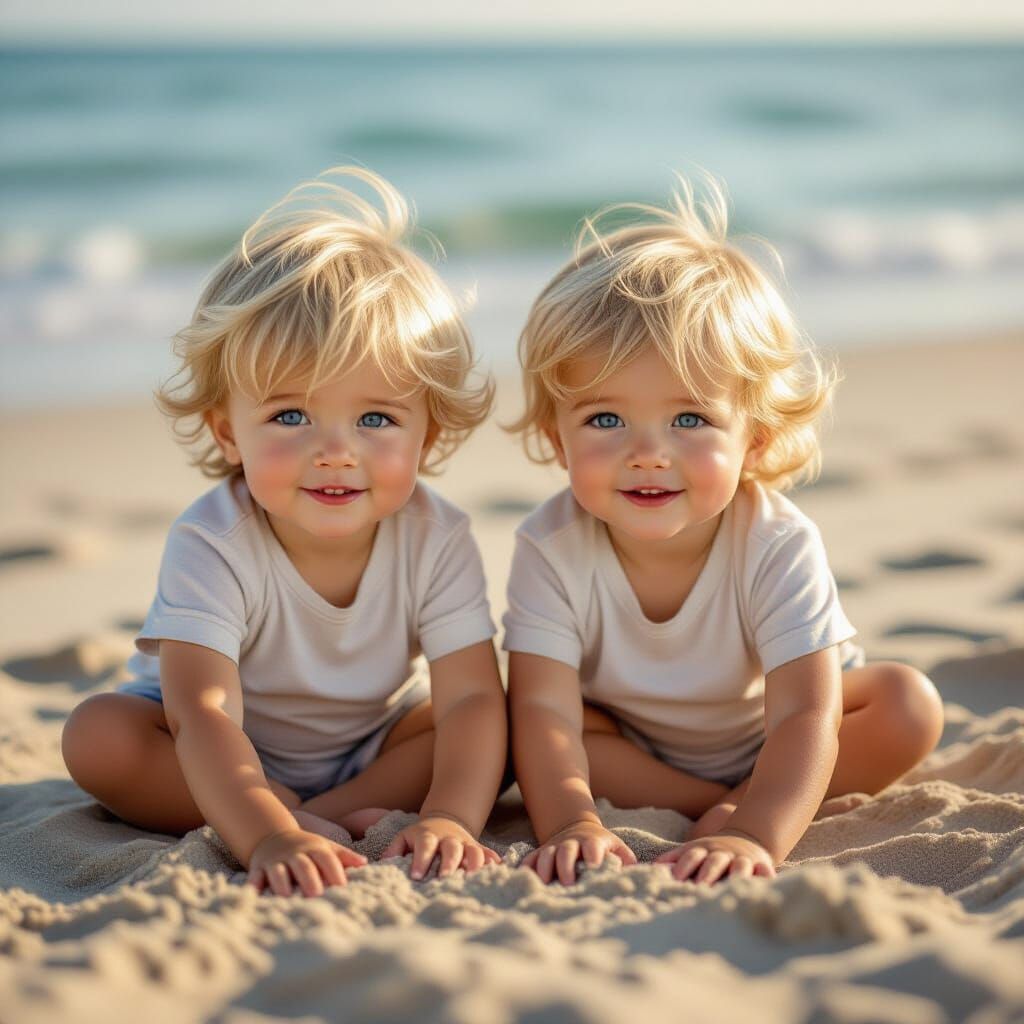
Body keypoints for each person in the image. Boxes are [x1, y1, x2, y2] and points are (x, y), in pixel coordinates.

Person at [62, 167, 507, 898]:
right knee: (99, 738)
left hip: (366, 749)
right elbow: (202, 712)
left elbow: (466, 699)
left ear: (429, 434)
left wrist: (452, 817)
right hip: (204, 749)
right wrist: (266, 833)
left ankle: (323, 816)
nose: (336, 450)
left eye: (376, 419)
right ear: (226, 431)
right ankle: (288, 817)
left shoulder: (437, 534)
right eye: (291, 416)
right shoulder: (213, 540)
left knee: (490, 722)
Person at [502, 177, 944, 886]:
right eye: (605, 420)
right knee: (529, 724)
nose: (648, 452)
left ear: (757, 440)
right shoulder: (550, 545)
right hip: (635, 750)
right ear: (558, 438)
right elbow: (545, 710)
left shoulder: (774, 540)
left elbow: (804, 711)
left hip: (772, 735)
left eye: (690, 420)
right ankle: (713, 804)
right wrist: (572, 823)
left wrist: (757, 834)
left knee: (906, 703)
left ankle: (745, 802)